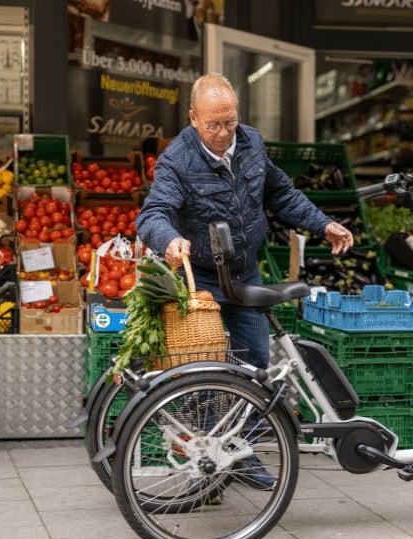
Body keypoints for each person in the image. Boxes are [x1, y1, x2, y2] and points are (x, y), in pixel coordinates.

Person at [137, 74, 354, 491]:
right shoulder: (177, 160)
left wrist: (323, 224)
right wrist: (168, 239)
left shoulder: (252, 143)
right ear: (194, 119)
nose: (223, 134)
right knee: (204, 369)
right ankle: (206, 461)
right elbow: (153, 214)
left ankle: (244, 449)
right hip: (200, 276)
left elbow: (282, 194)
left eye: (230, 123)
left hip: (244, 271)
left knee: (255, 363)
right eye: (213, 125)